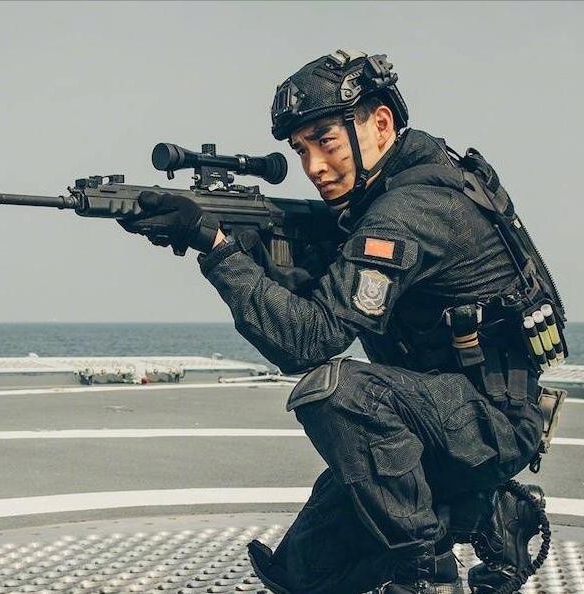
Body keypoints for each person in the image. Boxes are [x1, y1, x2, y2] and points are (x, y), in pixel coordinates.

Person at [120, 49, 561, 594]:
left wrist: (217, 248)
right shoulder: (383, 198)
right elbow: (318, 293)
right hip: (430, 415)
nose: (314, 168)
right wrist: (247, 244)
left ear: (381, 123)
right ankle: (488, 512)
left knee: (337, 392)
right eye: (301, 150)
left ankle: (420, 567)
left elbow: (308, 339)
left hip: (490, 423)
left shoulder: (411, 209)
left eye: (325, 141)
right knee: (306, 572)